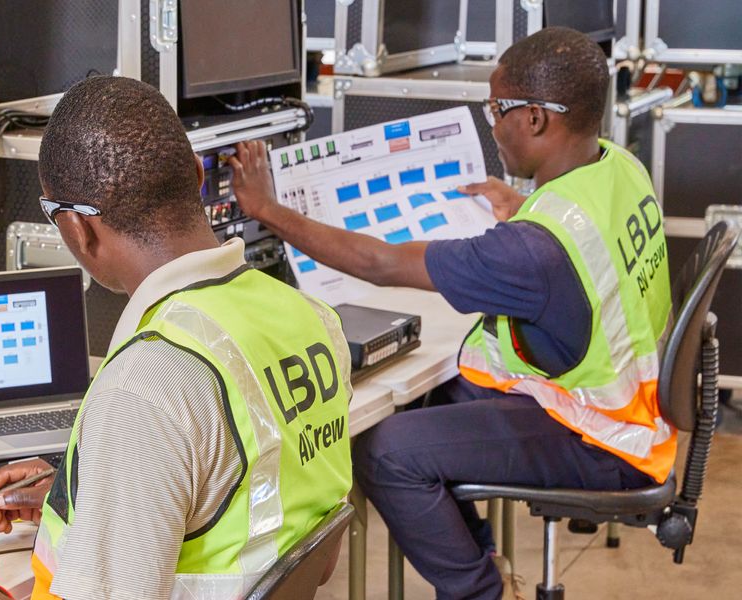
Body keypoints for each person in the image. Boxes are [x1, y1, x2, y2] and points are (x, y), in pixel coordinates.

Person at [230, 27, 670, 600]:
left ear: (535, 118)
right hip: (617, 402)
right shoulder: (618, 166)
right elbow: (585, 246)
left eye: (497, 108)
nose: (493, 123)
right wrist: (525, 209)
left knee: (384, 452)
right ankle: (486, 559)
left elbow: (383, 263)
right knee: (435, 398)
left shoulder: (530, 253)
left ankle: (478, 592)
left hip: (601, 437)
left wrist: (268, 209)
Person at [0, 76, 354, 600]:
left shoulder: (144, 388)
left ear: (78, 229)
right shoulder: (311, 317)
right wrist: (91, 495)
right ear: (196, 176)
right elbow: (300, 546)